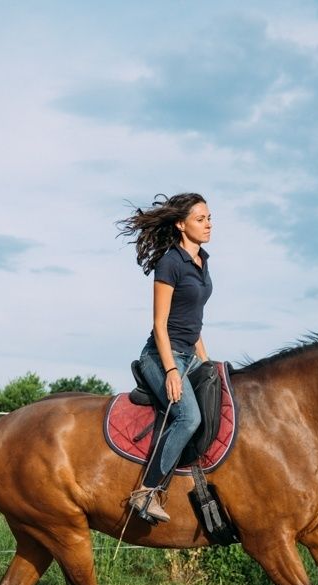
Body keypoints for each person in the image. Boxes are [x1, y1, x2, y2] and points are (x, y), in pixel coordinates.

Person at [116, 193, 213, 523]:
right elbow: (160, 324)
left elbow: (193, 319)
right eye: (201, 219)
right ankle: (146, 492)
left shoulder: (203, 261)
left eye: (209, 218)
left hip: (190, 354)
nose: (208, 224)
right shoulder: (170, 262)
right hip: (160, 356)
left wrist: (207, 361)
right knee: (189, 417)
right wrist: (171, 369)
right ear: (181, 224)